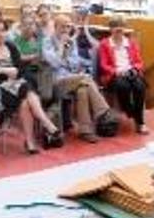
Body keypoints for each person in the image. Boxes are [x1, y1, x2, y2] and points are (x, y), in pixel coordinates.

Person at [0, 18, 62, 154]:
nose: (1, 34)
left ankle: (30, 143)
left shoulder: (11, 46)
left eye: (3, 30)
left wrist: (0, 70)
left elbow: (19, 70)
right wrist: (7, 71)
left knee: (25, 102)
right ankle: (47, 123)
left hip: (16, 86)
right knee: (25, 86)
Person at [42, 14, 114, 143]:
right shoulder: (47, 41)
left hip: (71, 78)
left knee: (83, 89)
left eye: (68, 27)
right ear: (55, 27)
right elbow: (54, 63)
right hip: (54, 82)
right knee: (85, 78)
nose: (66, 30)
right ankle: (103, 110)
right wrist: (61, 48)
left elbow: (75, 64)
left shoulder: (71, 42)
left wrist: (65, 60)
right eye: (62, 26)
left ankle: (85, 131)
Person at [98, 16, 149, 134]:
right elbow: (103, 65)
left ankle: (140, 123)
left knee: (140, 86)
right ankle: (132, 112)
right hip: (114, 75)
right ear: (111, 30)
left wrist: (135, 69)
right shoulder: (104, 44)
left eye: (121, 30)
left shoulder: (130, 43)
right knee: (123, 86)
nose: (119, 33)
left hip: (130, 72)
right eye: (116, 30)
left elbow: (139, 61)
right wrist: (117, 71)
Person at [72, 7, 100, 76]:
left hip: (89, 61)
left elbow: (98, 47)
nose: (81, 22)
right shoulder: (71, 30)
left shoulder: (92, 31)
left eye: (83, 20)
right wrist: (75, 35)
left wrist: (86, 31)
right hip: (75, 61)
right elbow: (66, 46)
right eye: (78, 19)